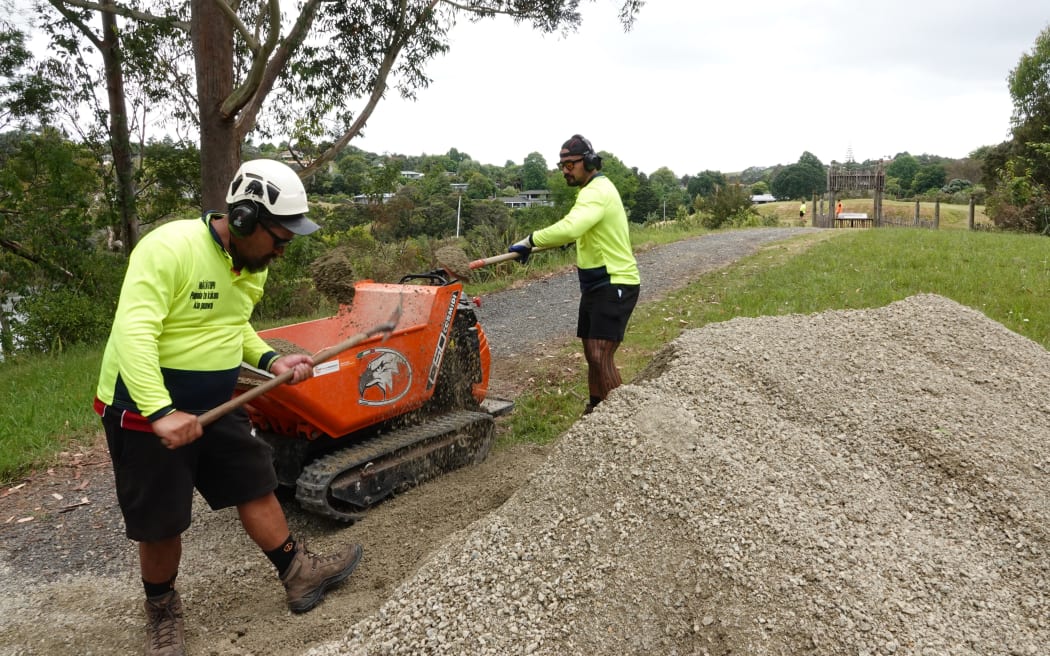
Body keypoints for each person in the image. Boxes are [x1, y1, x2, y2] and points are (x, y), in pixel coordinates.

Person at [95, 159, 363, 656]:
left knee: (255, 482)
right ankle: (161, 612)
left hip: (217, 399)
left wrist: (270, 361)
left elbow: (232, 326)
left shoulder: (251, 264)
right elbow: (134, 332)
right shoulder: (169, 249)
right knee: (162, 521)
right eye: (279, 238)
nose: (283, 251)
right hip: (143, 407)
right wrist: (160, 412)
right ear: (242, 219)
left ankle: (299, 574)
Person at [508, 134, 641, 415]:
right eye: (562, 165)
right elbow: (580, 231)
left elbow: (571, 227)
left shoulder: (596, 192)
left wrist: (530, 240)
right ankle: (595, 411)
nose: (566, 170)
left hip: (615, 281)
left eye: (571, 164)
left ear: (590, 162)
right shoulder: (589, 191)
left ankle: (626, 421)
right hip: (596, 284)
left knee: (600, 353)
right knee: (592, 354)